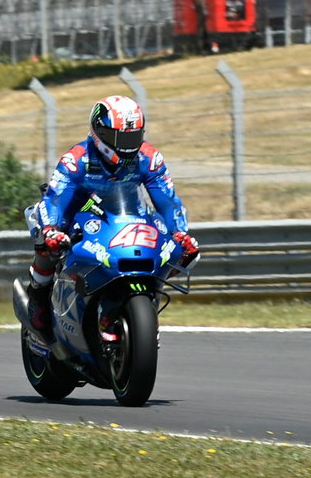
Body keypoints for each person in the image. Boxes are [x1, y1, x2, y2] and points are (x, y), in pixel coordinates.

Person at [22, 95, 199, 341]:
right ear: (100, 133)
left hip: (127, 215)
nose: (128, 145)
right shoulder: (76, 160)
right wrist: (52, 228)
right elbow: (55, 199)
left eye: (134, 137)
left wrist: (179, 232)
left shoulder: (149, 158)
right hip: (77, 214)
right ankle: (38, 297)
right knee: (48, 244)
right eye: (122, 139)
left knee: (182, 252)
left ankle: (144, 305)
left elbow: (167, 201)